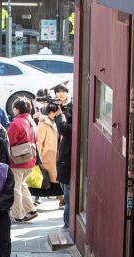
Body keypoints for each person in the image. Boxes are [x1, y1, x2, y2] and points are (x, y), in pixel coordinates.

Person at [6, 97, 39, 223]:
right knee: (22, 185)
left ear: (17, 109)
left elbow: (9, 141)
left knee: (15, 188)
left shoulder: (17, 123)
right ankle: (31, 209)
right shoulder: (31, 121)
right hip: (30, 159)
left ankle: (18, 215)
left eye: (14, 108)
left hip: (18, 161)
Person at [53, 84, 73, 226]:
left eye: (61, 92)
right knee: (67, 194)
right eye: (57, 92)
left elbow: (64, 129)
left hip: (67, 161)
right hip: (64, 160)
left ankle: (68, 224)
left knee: (68, 196)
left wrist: (59, 115)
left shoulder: (72, 119)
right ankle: (67, 223)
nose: (59, 95)